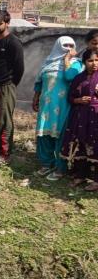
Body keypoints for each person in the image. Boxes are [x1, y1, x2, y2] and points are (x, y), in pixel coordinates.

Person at [33, 36, 79, 181]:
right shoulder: (48, 63)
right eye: (65, 45)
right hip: (46, 105)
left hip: (64, 106)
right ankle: (47, 164)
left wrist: (67, 59)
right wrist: (36, 97)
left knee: (61, 136)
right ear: (57, 46)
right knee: (44, 134)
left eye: (71, 45)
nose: (68, 48)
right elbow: (39, 82)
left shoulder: (76, 64)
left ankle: (61, 167)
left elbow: (69, 77)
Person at [0, 10, 24, 164]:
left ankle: (5, 154)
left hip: (6, 86)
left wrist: (11, 84)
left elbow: (19, 67)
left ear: (7, 23)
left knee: (5, 120)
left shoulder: (14, 42)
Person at [60, 49, 98, 191]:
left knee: (95, 146)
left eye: (97, 60)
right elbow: (70, 97)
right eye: (90, 61)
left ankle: (96, 180)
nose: (94, 63)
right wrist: (79, 100)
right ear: (84, 62)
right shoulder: (78, 78)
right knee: (81, 143)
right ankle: (81, 175)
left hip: (95, 117)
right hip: (80, 116)